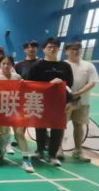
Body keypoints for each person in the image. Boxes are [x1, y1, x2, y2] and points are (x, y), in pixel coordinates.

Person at [28, 37, 74, 167]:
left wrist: (69, 100)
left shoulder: (65, 66)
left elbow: (69, 85)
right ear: (44, 49)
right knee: (40, 127)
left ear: (58, 49)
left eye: (55, 47)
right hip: (41, 102)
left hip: (59, 103)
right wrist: (48, 84)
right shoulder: (37, 66)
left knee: (57, 129)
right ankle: (40, 150)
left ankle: (53, 155)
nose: (52, 49)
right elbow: (30, 83)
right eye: (49, 47)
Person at [0, 56, 34, 173]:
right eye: (3, 63)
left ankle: (26, 159)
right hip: (2, 110)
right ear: (0, 64)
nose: (6, 66)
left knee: (19, 132)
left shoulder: (17, 77)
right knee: (1, 133)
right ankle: (1, 150)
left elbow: (23, 93)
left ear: (12, 65)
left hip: (16, 109)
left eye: (8, 64)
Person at [65, 41, 99, 162]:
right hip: (65, 102)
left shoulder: (88, 66)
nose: (75, 51)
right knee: (60, 126)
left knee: (79, 125)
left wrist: (78, 93)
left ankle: (78, 151)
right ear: (66, 51)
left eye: (77, 49)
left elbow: (92, 82)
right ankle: (58, 149)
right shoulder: (62, 65)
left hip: (83, 101)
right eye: (72, 49)